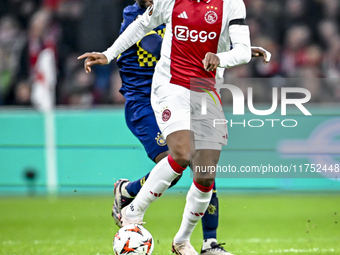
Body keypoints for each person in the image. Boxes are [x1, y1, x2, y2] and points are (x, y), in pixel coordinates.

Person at [79, 0, 267, 254]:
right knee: (179, 155)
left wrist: (230, 51)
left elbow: (222, 44)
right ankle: (132, 212)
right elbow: (147, 33)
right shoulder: (157, 8)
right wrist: (109, 54)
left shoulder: (231, 5)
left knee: (204, 172)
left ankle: (187, 241)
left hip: (205, 89)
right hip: (162, 89)